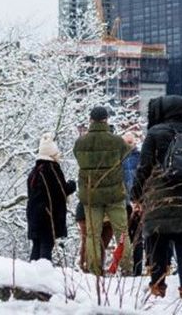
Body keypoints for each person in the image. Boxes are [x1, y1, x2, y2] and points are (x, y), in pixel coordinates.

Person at [132, 95, 182, 299]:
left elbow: (144, 168)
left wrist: (137, 195)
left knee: (158, 240)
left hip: (160, 197)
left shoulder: (154, 134)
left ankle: (157, 288)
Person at [72, 106, 133, 275]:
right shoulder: (117, 141)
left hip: (91, 195)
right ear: (106, 120)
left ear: (90, 120)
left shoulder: (80, 143)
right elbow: (126, 154)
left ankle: (94, 270)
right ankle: (127, 268)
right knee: (122, 233)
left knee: (92, 235)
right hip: (114, 195)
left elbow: (78, 158)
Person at [26, 133, 76, 262]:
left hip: (34, 214)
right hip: (49, 215)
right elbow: (60, 190)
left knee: (36, 246)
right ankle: (43, 273)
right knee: (46, 245)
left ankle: (31, 272)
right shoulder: (52, 169)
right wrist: (71, 186)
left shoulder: (35, 171)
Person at [121, 131, 145, 275]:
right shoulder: (119, 158)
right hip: (123, 203)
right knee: (125, 236)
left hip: (138, 202)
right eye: (126, 142)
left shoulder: (141, 158)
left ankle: (137, 269)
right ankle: (127, 268)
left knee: (138, 236)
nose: (128, 145)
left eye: (131, 142)